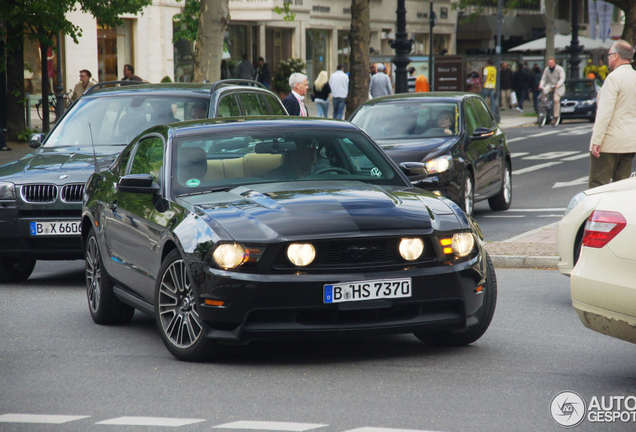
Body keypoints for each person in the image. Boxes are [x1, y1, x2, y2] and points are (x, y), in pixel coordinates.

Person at [588, 40, 636, 189]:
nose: (608, 58)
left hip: (610, 142)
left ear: (615, 56)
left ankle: (598, 213)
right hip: (629, 142)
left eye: (609, 55)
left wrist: (596, 140)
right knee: (621, 188)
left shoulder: (614, 78)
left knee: (598, 185)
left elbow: (605, 112)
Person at [539, 57, 566, 123]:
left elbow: (562, 78)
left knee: (556, 100)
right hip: (550, 84)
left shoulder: (559, 69)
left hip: (558, 86)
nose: (550, 64)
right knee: (544, 90)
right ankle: (545, 103)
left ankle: (556, 116)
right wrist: (541, 85)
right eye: (549, 63)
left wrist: (559, 84)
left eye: (551, 63)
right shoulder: (547, 70)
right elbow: (543, 79)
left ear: (554, 62)